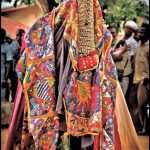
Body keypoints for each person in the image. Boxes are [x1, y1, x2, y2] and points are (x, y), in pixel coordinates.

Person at [6, 1, 140, 149]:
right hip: (76, 113)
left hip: (60, 113)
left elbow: (22, 68)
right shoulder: (96, 34)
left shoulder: (41, 30)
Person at [133, 20, 149, 135]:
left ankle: (144, 128)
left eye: (142, 33)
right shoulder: (138, 44)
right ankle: (143, 127)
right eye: (139, 33)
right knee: (140, 106)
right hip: (137, 80)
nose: (140, 34)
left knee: (143, 105)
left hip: (145, 80)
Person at [10, 29, 25, 102]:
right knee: (14, 86)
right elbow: (12, 59)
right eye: (17, 35)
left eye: (20, 35)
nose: (18, 37)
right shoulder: (13, 45)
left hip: (23, 69)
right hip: (15, 69)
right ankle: (14, 100)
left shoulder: (25, 44)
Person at [1, 28, 13, 102]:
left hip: (2, 76)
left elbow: (9, 64)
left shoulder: (8, 47)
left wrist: (6, 78)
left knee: (3, 99)